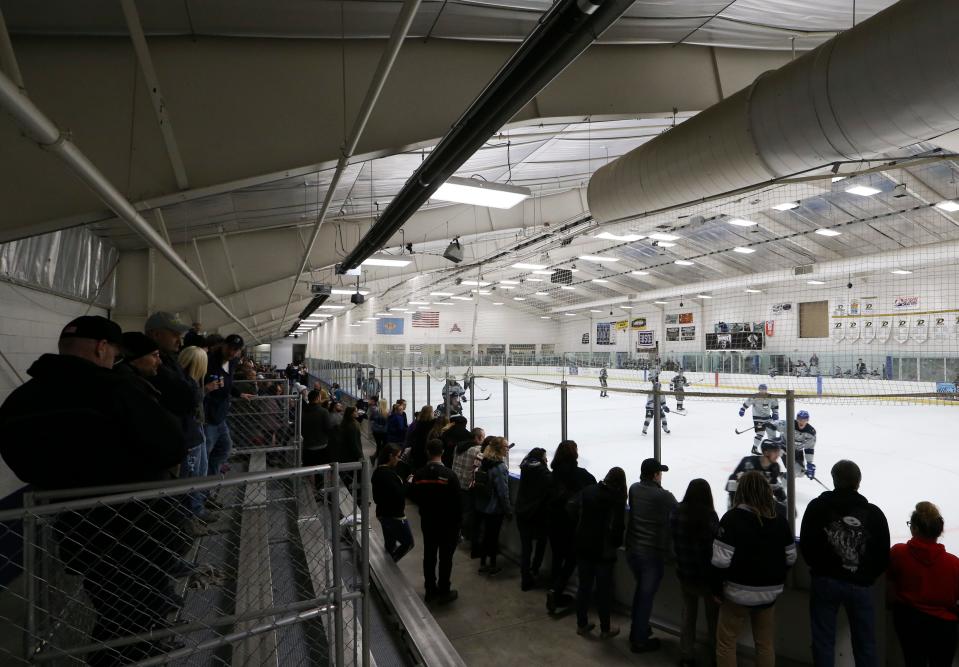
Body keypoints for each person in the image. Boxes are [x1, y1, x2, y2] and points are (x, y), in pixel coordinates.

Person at [0, 316, 186, 664]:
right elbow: (172, 445)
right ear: (102, 348)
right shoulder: (115, 389)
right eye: (114, 353)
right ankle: (130, 655)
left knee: (109, 601)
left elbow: (20, 463)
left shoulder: (21, 400)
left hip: (77, 525)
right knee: (136, 611)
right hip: (137, 524)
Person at [800, 460, 890, 667]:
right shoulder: (873, 514)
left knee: (823, 641)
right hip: (860, 586)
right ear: (858, 482)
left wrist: (820, 568)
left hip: (825, 582)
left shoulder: (817, 507)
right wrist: (866, 576)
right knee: (865, 643)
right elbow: (882, 554)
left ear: (834, 479)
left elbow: (807, 543)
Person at [712, 471, 797, 667]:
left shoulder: (732, 518)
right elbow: (791, 557)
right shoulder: (780, 522)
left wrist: (716, 589)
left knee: (726, 643)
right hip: (769, 594)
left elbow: (720, 561)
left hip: (736, 593)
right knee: (765, 644)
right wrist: (775, 578)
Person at [888, 501, 959, 667]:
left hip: (909, 623)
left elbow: (890, 587)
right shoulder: (954, 564)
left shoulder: (898, 553)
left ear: (915, 529)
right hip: (945, 627)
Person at [625, 458, 678, 653]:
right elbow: (679, 512)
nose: (661, 475)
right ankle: (639, 640)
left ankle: (638, 628)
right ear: (655, 475)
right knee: (645, 597)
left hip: (632, 551)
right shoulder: (663, 496)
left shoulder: (634, 489)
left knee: (641, 593)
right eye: (659, 473)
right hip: (650, 555)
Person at [570, 466, 627, 639]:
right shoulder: (615, 499)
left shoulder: (588, 490)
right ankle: (605, 628)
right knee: (603, 591)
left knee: (584, 586)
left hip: (583, 546)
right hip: (602, 552)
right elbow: (617, 527)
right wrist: (615, 543)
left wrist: (579, 528)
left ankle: (581, 624)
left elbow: (572, 506)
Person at [671, 479, 720, 667]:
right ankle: (716, 656)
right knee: (713, 619)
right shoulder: (710, 516)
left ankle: (686, 655)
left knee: (688, 615)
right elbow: (714, 547)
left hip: (685, 574)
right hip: (706, 578)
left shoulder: (676, 511)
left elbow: (674, 537)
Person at [546, 440, 597, 615]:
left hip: (553, 522)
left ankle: (554, 589)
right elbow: (593, 489)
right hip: (570, 524)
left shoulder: (552, 475)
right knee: (571, 558)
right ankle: (556, 591)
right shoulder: (581, 475)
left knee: (557, 557)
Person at [410, 439, 462, 604]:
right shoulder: (450, 475)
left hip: (428, 521)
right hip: (448, 524)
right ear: (443, 452)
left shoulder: (419, 475)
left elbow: (415, 496)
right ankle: (444, 589)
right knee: (446, 558)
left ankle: (430, 590)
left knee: (429, 555)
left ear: (427, 452)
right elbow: (458, 504)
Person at [177, 345, 221, 530]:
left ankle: (197, 506)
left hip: (197, 430)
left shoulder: (191, 382)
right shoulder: (185, 384)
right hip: (190, 435)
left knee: (200, 471)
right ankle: (191, 513)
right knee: (194, 474)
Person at [204, 334, 254, 481]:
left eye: (236, 350)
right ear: (223, 345)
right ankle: (200, 491)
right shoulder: (208, 361)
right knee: (204, 455)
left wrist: (239, 393)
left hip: (221, 415)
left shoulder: (233, 362)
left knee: (224, 449)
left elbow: (227, 382)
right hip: (207, 417)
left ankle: (209, 483)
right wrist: (205, 389)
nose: (232, 353)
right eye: (230, 348)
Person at [471, 437, 512, 576]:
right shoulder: (500, 467)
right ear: (499, 449)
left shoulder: (485, 462)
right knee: (493, 538)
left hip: (483, 505)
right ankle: (492, 564)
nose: (507, 449)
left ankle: (483, 562)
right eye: (505, 447)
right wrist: (508, 510)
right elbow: (503, 492)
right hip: (494, 508)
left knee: (486, 535)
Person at [516, 447, 551, 591]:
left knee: (526, 548)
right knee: (541, 542)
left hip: (522, 513)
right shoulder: (544, 473)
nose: (547, 459)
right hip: (537, 515)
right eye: (545, 457)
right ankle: (534, 569)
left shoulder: (525, 468)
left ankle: (525, 577)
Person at [371, 444, 414, 562]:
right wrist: (409, 482)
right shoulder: (388, 475)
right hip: (394, 516)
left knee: (390, 544)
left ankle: (387, 567)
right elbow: (400, 493)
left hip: (382, 513)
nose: (399, 459)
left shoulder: (378, 472)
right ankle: (390, 566)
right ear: (391, 456)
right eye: (398, 456)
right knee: (408, 543)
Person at [726, 438, 786, 509]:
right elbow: (732, 482)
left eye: (778, 451)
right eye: (775, 451)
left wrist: (785, 501)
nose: (778, 455)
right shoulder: (748, 462)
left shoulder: (775, 467)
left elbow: (774, 485)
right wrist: (734, 506)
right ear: (766, 452)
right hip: (743, 501)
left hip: (760, 502)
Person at [451, 426, 485, 541]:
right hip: (467, 484)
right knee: (467, 512)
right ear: (477, 437)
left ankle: (456, 532)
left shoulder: (458, 447)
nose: (483, 439)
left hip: (456, 483)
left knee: (458, 510)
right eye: (482, 437)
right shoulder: (478, 450)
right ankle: (463, 534)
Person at [771, 410, 817, 479]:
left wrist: (809, 463)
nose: (802, 422)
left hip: (798, 451)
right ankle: (782, 479)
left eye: (804, 420)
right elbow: (777, 423)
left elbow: (809, 449)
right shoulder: (789, 424)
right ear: (797, 419)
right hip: (785, 448)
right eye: (800, 419)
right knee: (794, 471)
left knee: (800, 473)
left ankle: (782, 476)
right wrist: (771, 424)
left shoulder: (811, 433)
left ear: (807, 420)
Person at [738, 384, 779, 454]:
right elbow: (747, 403)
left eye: (764, 389)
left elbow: (774, 406)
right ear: (759, 390)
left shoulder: (771, 397)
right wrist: (742, 409)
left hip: (768, 419)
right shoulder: (754, 397)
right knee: (760, 434)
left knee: (772, 434)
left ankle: (772, 449)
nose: (762, 391)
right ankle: (754, 449)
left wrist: (775, 413)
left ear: (766, 390)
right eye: (761, 389)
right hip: (758, 419)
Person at [302, 389, 333, 468]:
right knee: (323, 467)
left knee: (310, 468)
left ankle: (313, 480)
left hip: (308, 445)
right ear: (318, 398)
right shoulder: (323, 412)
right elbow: (328, 429)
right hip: (321, 445)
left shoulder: (303, 411)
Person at [407, 405, 435, 471]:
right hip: (426, 449)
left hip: (417, 448)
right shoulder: (432, 423)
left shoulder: (418, 423)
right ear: (430, 413)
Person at [368, 397, 389, 462]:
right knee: (384, 445)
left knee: (378, 445)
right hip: (384, 431)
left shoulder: (375, 410)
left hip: (376, 431)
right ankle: (379, 458)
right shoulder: (388, 412)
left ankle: (375, 457)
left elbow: (371, 418)